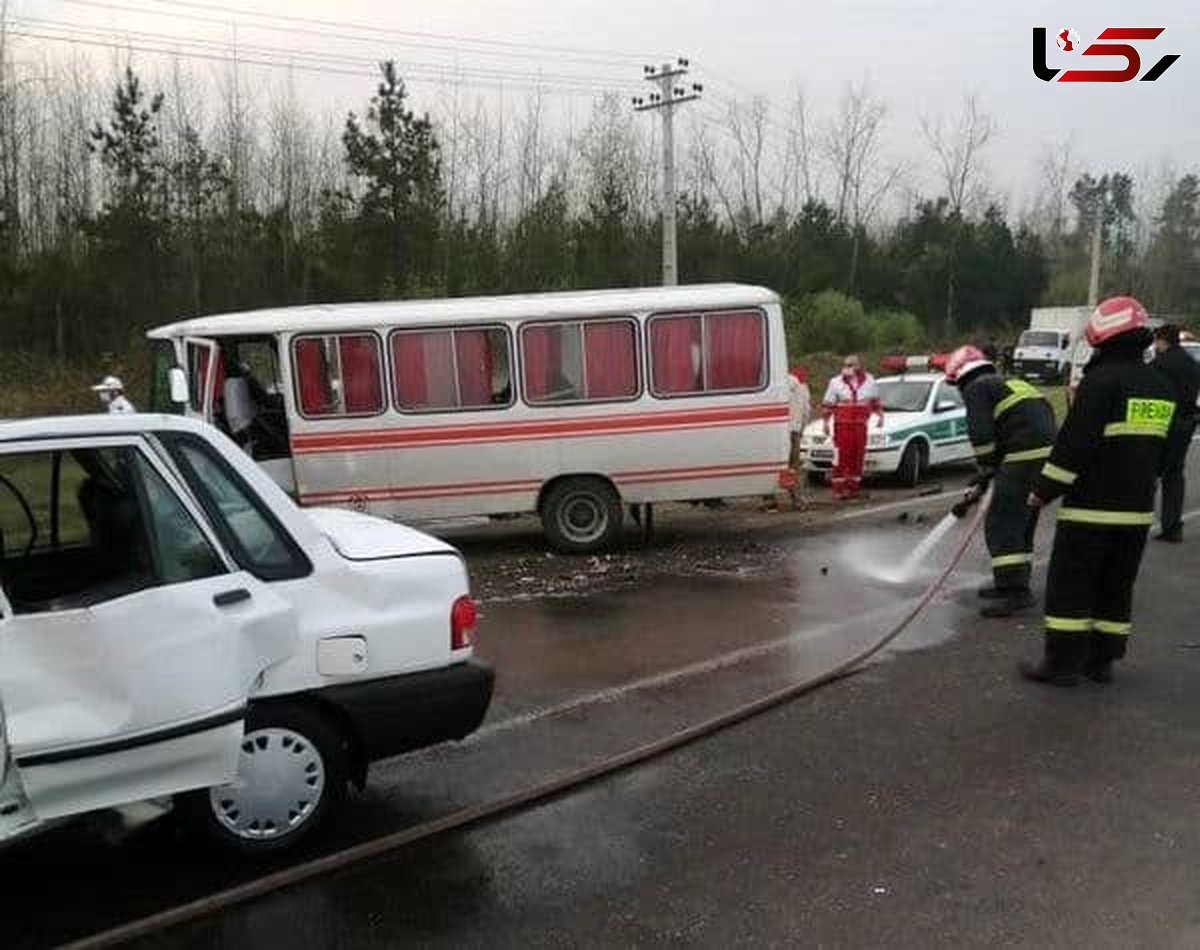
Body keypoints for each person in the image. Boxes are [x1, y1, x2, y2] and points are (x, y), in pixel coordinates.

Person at [1022, 296, 1176, 686]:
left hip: (1091, 510)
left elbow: (1074, 447)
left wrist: (1042, 491)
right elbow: (1169, 451)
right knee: (1116, 585)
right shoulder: (1161, 385)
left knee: (1071, 585)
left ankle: (1061, 665)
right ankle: (1102, 661)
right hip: (1138, 512)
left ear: (1103, 337)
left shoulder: (1100, 382)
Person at [945, 345, 1057, 618]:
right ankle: (1015, 582)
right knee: (1023, 520)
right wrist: (989, 473)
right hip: (1044, 458)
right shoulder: (1011, 383)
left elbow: (981, 437)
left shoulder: (976, 388)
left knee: (1002, 521)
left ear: (960, 376)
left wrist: (986, 468)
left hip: (1023, 458)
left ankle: (1014, 592)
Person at [1150, 323, 1199, 542]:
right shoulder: (1192, 363)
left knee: (1149, 473)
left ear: (1162, 340)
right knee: (1174, 476)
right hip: (1186, 423)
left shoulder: (1159, 364)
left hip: (1164, 424)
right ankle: (1173, 527)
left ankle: (1137, 522)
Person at [822, 354, 883, 501]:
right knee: (841, 456)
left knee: (857, 456)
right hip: (842, 425)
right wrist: (825, 422)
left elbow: (874, 401)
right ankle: (838, 489)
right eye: (845, 365)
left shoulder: (869, 380)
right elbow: (828, 404)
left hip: (860, 425)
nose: (847, 368)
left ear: (859, 366)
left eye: (851, 365)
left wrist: (880, 416)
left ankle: (853, 488)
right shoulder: (835, 382)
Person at [787, 365, 812, 506]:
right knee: (793, 466)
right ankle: (797, 499)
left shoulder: (778, 382)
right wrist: (801, 429)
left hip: (778, 431)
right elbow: (806, 412)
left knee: (775, 466)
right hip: (794, 431)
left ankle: (769, 501)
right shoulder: (802, 386)